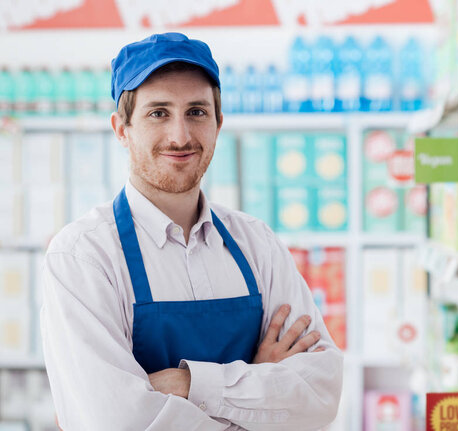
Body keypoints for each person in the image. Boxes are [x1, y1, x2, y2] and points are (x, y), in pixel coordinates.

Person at [41, 32, 343, 431]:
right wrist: (257, 388)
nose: (180, 136)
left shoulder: (258, 244)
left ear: (218, 123)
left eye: (196, 112)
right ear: (121, 129)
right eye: (158, 113)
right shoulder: (83, 257)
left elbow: (320, 394)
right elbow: (115, 422)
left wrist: (185, 384)